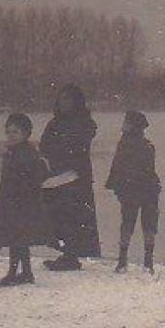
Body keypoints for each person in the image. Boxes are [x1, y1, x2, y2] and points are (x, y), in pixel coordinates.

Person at [0, 113, 53, 286]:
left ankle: (16, 273)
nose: (10, 135)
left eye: (15, 132)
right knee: (17, 240)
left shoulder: (26, 153)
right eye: (8, 132)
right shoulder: (14, 152)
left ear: (25, 134)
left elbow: (36, 177)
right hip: (12, 202)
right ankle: (24, 273)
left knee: (17, 239)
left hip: (22, 203)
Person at [38, 84, 101, 270]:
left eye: (68, 99)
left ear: (76, 101)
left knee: (72, 217)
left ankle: (71, 256)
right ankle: (67, 254)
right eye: (61, 98)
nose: (64, 102)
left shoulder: (83, 123)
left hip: (75, 177)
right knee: (56, 216)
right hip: (55, 177)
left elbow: (77, 149)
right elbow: (45, 145)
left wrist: (60, 156)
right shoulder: (55, 122)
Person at [105, 109, 161, 274]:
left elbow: (117, 168)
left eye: (125, 122)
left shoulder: (124, 145)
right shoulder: (148, 146)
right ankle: (148, 261)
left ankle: (123, 261)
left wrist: (115, 186)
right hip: (148, 189)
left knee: (127, 223)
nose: (123, 126)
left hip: (131, 190)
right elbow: (148, 170)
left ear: (131, 126)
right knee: (148, 224)